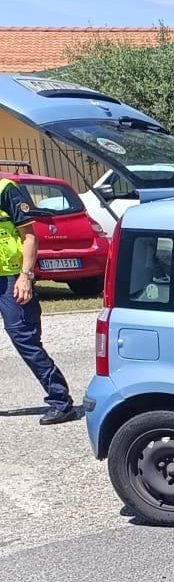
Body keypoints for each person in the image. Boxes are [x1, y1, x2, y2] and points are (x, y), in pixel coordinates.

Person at [2, 174, 78, 424]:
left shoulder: (6, 189)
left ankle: (60, 401)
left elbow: (30, 236)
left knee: (25, 339)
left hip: (12, 277)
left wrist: (25, 276)